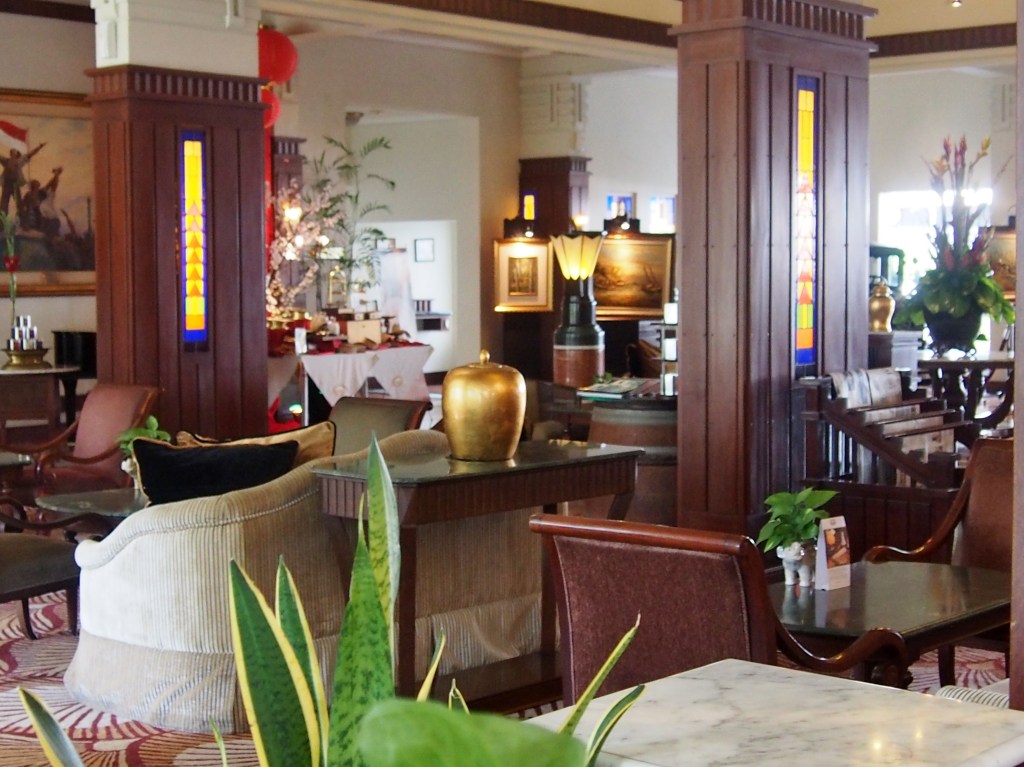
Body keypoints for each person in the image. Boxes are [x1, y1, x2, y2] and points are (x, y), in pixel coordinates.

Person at [0, 142, 45, 217]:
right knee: (3, 204)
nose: (13, 153)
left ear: (17, 155)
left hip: (15, 184)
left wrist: (39, 147)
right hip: (7, 184)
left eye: (14, 152)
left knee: (19, 204)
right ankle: (2, 220)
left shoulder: (20, 161)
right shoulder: (6, 161)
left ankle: (22, 219)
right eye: (12, 152)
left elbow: (30, 154)